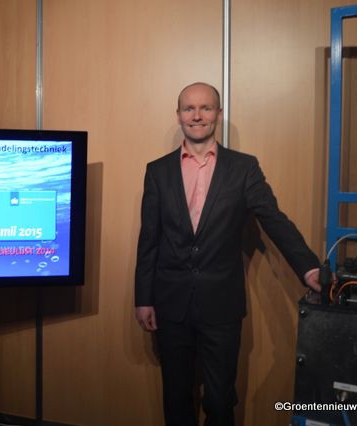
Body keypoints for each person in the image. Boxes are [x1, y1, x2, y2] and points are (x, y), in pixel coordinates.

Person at [134, 82, 322, 426]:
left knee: (220, 400)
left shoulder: (243, 168)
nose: (197, 116)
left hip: (221, 305)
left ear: (218, 114)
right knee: (175, 396)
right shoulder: (157, 171)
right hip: (170, 303)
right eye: (189, 108)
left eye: (205, 108)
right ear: (178, 115)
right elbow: (149, 239)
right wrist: (143, 298)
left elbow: (273, 220)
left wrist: (308, 267)